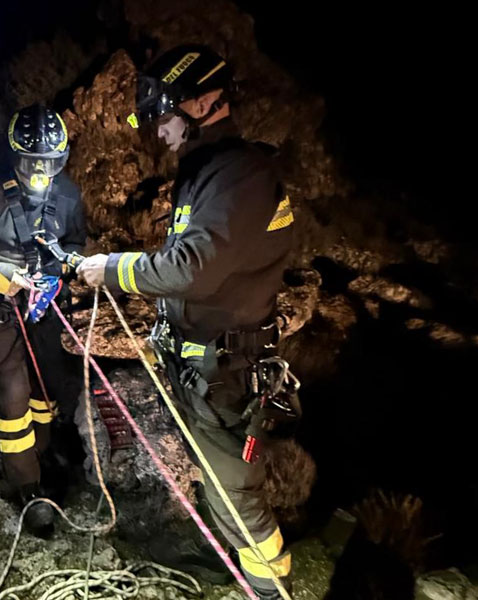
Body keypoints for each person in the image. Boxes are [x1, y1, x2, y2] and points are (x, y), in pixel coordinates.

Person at [77, 45, 296, 598]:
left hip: (226, 367)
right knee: (213, 473)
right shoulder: (209, 173)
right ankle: (228, 554)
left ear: (203, 103)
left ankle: (270, 588)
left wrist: (112, 268)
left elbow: (190, 269)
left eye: (166, 116)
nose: (160, 132)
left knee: (237, 489)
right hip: (201, 360)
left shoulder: (241, 173)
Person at [0, 104, 87, 535]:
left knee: (49, 387)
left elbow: (76, 241)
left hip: (44, 306)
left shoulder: (68, 194)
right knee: (13, 393)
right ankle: (26, 485)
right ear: (14, 157)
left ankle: (42, 454)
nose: (40, 172)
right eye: (30, 163)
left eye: (49, 163)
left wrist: (61, 271)